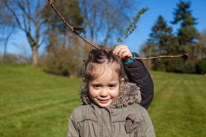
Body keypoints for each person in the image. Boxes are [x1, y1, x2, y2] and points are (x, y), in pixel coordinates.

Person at [66, 45, 155, 137]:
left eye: (111, 86)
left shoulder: (137, 113)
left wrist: (131, 61)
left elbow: (145, 91)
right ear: (86, 83)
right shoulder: (79, 115)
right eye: (97, 86)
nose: (104, 94)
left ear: (121, 83)